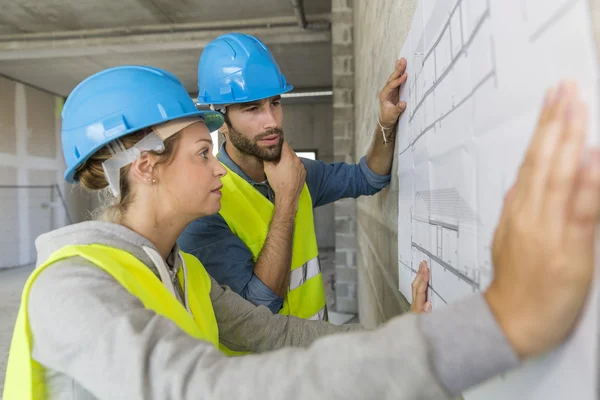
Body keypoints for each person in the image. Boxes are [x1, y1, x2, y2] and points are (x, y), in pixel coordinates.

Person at [3, 66, 597, 400]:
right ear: (147, 165)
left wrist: (410, 331)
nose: (214, 166)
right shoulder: (73, 290)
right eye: (198, 153)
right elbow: (204, 390)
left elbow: (280, 334)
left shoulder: (183, 273)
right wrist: (501, 320)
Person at [179, 33, 411, 320]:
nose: (272, 121)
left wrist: (385, 123)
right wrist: (287, 198)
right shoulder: (204, 205)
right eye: (252, 108)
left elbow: (368, 178)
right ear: (221, 121)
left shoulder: (299, 171)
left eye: (275, 103)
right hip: (267, 364)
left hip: (314, 350)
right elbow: (257, 310)